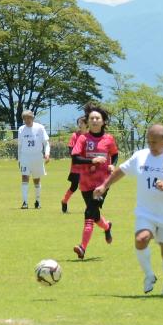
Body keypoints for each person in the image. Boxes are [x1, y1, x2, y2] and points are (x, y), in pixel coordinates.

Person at [98, 121, 163, 297]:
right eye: (149, 141)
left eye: (155, 142)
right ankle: (149, 275)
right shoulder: (140, 156)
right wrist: (104, 185)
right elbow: (121, 171)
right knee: (141, 239)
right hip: (145, 212)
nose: (151, 145)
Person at [71, 107, 118, 258]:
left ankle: (82, 247)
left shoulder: (109, 139)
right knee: (95, 215)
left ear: (103, 121)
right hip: (85, 182)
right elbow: (75, 158)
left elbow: (115, 154)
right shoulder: (83, 139)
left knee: (89, 213)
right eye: (91, 118)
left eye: (97, 118)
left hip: (103, 183)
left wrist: (113, 164)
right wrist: (93, 159)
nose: (94, 120)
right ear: (88, 122)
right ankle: (107, 226)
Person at [15, 109, 50, 210]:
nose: (26, 120)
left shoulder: (40, 128)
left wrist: (47, 154)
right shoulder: (21, 129)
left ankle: (38, 201)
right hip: (25, 156)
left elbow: (46, 143)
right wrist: (19, 159)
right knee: (24, 177)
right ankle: (25, 202)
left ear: (32, 117)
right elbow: (20, 146)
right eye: (24, 118)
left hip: (37, 157)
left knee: (36, 179)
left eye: (28, 118)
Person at [60, 115, 87, 213]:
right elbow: (71, 149)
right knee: (74, 186)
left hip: (88, 167)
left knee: (88, 186)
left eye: (82, 123)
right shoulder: (75, 135)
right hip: (77, 167)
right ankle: (64, 200)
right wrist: (77, 159)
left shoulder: (90, 136)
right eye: (79, 123)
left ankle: (90, 207)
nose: (80, 125)